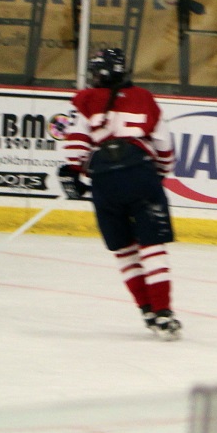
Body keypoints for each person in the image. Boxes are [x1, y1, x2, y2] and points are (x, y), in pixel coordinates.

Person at [58, 47, 182, 340]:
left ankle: (147, 310)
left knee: (124, 249)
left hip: (105, 180)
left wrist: (74, 173)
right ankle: (163, 313)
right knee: (152, 246)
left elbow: (76, 144)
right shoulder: (145, 98)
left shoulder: (86, 99)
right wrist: (156, 175)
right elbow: (164, 147)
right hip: (142, 174)